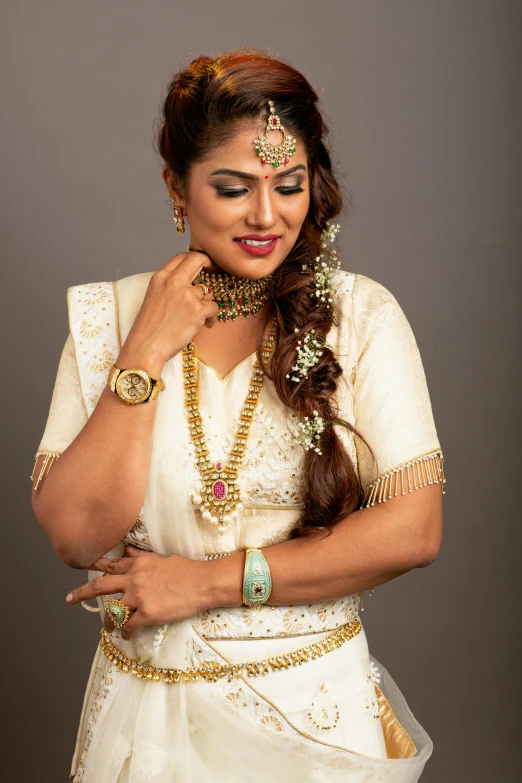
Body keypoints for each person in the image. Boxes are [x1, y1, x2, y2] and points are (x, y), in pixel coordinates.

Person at [31, 48, 445, 783]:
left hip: (310, 719)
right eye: (233, 188)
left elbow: (413, 530)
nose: (267, 216)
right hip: (145, 723)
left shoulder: (362, 316)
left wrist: (206, 581)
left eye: (289, 186)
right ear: (176, 188)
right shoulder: (109, 317)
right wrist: (144, 352)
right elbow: (76, 533)